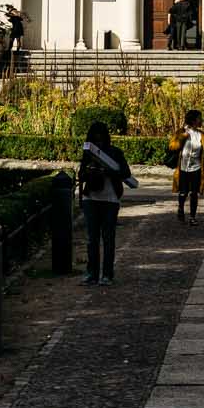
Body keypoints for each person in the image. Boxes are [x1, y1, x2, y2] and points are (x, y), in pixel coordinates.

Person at [78, 121, 138, 286]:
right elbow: (81, 175)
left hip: (110, 199)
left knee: (108, 238)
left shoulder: (115, 152)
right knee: (92, 240)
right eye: (95, 139)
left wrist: (107, 171)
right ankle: (92, 273)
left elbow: (125, 173)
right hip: (91, 198)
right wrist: (89, 171)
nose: (98, 142)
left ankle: (107, 274)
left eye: (101, 138)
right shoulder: (88, 153)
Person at [173, 108, 204, 222]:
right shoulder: (181, 131)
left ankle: (192, 217)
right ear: (193, 120)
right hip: (183, 167)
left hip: (196, 168)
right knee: (183, 192)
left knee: (194, 193)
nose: (201, 120)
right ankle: (181, 208)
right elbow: (172, 146)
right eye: (199, 118)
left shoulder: (202, 135)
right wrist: (183, 137)